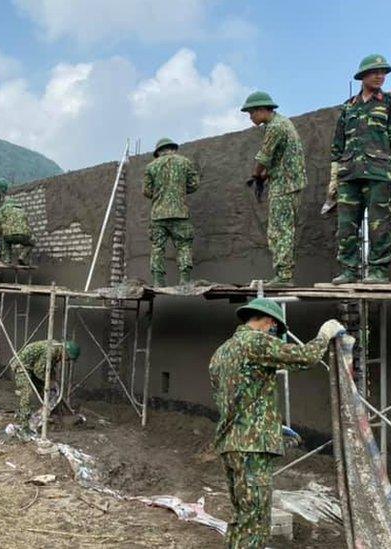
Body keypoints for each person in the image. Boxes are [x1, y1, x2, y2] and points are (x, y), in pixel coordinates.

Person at [210, 298, 344, 548]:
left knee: (242, 516)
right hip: (252, 447)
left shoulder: (221, 352)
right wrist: (324, 336)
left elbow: (233, 398)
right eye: (274, 330)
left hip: (231, 442)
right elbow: (305, 357)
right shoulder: (255, 341)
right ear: (269, 322)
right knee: (256, 521)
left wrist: (271, 424)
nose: (273, 335)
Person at [329, 54, 391, 285]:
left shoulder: (390, 103)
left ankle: (378, 270)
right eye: (375, 72)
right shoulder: (348, 107)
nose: (380, 76)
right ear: (363, 76)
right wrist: (333, 179)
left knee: (379, 223)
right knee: (346, 226)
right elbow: (337, 145)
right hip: (349, 173)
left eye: (383, 72)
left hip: (378, 172)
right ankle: (349, 270)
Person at [241, 92, 307, 285]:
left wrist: (256, 175)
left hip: (285, 185)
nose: (250, 116)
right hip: (287, 182)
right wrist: (266, 175)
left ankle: (284, 276)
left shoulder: (276, 127)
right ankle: (283, 274)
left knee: (280, 230)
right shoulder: (283, 123)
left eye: (252, 112)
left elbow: (264, 156)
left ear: (262, 109)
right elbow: (283, 158)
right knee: (283, 228)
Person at [142, 137, 199, 287]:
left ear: (158, 151)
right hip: (180, 213)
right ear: (173, 148)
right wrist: (179, 190)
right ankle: (185, 279)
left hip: (158, 215)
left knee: (157, 247)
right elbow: (194, 185)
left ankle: (158, 281)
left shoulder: (150, 167)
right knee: (184, 245)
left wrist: (160, 193)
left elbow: (146, 191)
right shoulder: (185, 162)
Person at [9, 339, 80, 431]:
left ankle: (48, 412)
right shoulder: (52, 350)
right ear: (65, 352)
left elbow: (50, 367)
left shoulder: (57, 351)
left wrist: (53, 381)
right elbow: (38, 370)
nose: (66, 361)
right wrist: (50, 382)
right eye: (68, 358)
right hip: (22, 365)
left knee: (47, 391)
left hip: (32, 366)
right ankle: (24, 425)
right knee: (26, 393)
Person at [0, 198, 35, 265]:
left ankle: (7, 259)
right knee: (30, 244)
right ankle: (22, 257)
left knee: (6, 242)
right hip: (23, 234)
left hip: (9, 235)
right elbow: (26, 223)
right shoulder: (22, 210)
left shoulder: (3, 209)